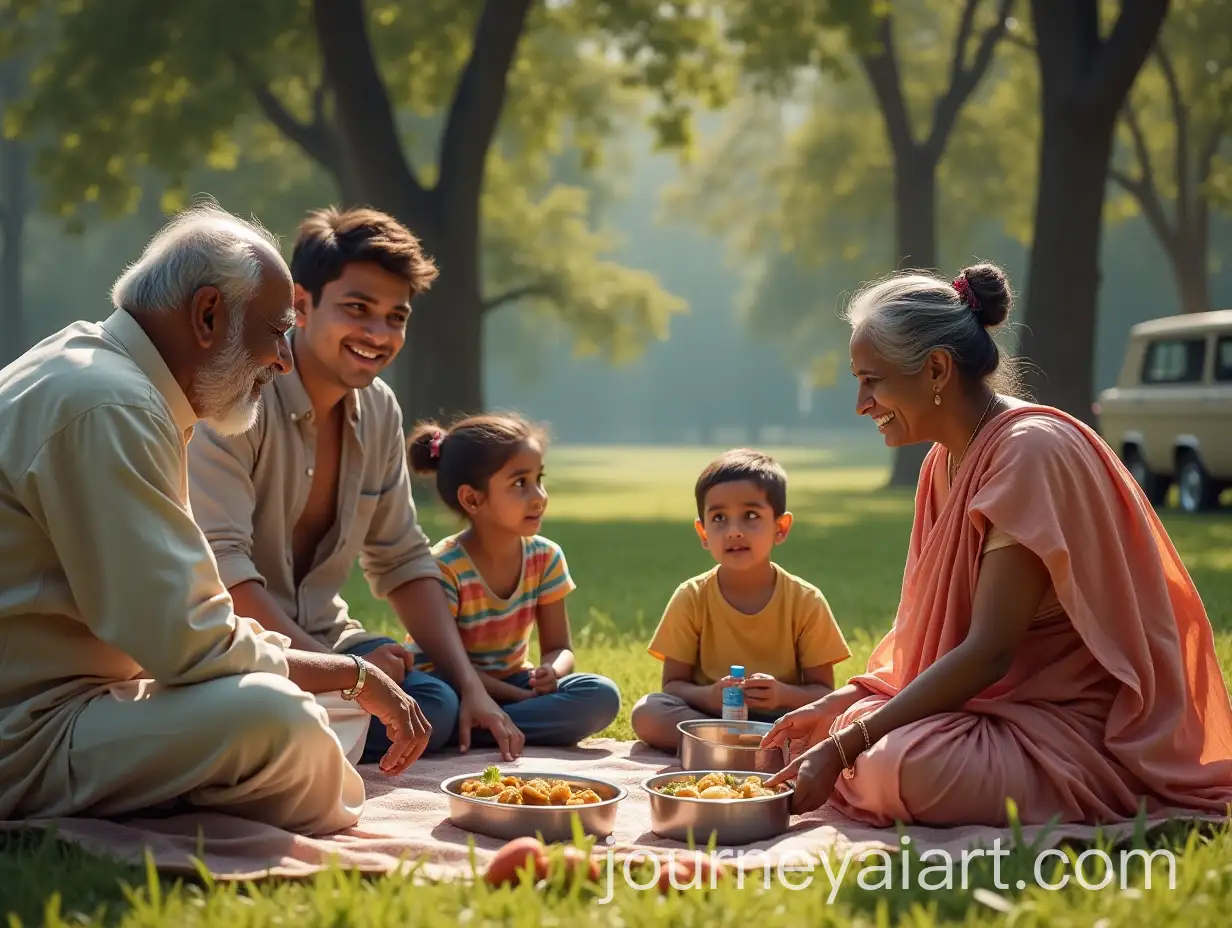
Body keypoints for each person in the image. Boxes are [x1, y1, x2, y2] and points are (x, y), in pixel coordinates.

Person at [0, 202, 433, 834]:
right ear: (208, 315)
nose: (283, 359)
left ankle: (195, 784)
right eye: (275, 331)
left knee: (317, 707)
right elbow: (191, 642)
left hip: (88, 694)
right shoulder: (110, 404)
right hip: (27, 732)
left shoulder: (101, 374)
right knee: (280, 724)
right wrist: (353, 671)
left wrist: (345, 680)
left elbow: (175, 631)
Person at [762, 262, 1232, 826]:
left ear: (936, 369)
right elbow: (927, 636)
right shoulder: (942, 461)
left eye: (873, 379)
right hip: (989, 710)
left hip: (1070, 727)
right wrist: (839, 706)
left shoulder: (1028, 452)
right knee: (820, 734)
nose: (861, 403)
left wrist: (847, 745)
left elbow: (988, 651)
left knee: (897, 767)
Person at [186, 206, 524, 763]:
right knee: (407, 707)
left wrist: (472, 686)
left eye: (396, 317)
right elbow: (226, 579)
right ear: (299, 304)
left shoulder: (379, 409)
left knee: (437, 701)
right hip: (241, 648)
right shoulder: (239, 397)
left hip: (328, 638)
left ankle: (473, 712)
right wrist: (351, 676)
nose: (378, 334)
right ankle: (317, 722)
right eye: (357, 309)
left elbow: (402, 559)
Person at [403, 413, 622, 747]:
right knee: (438, 707)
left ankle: (483, 728)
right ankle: (480, 721)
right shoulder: (445, 568)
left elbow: (559, 647)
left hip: (515, 684)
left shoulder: (545, 558)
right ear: (473, 499)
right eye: (520, 483)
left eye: (539, 479)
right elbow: (445, 668)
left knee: (601, 695)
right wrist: (519, 697)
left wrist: (552, 671)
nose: (539, 496)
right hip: (450, 687)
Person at [630, 449, 852, 753]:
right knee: (648, 711)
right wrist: (710, 696)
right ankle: (756, 751)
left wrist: (783, 694)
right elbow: (672, 686)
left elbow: (824, 692)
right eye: (719, 518)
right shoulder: (692, 596)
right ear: (703, 532)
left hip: (781, 719)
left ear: (781, 527)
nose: (733, 531)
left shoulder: (806, 600)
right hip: (709, 718)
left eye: (750, 516)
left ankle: (725, 750)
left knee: (842, 718)